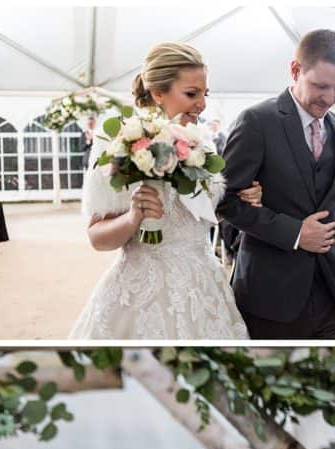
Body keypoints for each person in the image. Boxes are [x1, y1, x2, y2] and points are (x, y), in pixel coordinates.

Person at [69, 42, 260, 340]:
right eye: (191, 94)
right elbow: (97, 238)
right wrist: (134, 216)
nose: (202, 104)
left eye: (204, 94)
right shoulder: (116, 143)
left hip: (205, 287)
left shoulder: (203, 146)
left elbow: (201, 218)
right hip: (142, 294)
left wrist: (247, 199)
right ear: (158, 93)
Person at [217, 29, 335, 339]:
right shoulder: (256, 122)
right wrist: (295, 233)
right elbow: (225, 201)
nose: (330, 98)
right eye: (321, 85)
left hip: (332, 293)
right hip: (271, 295)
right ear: (295, 70)